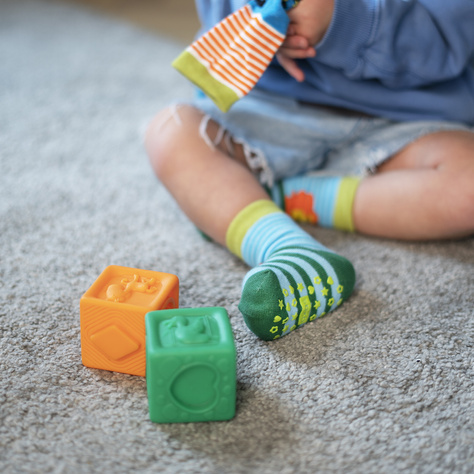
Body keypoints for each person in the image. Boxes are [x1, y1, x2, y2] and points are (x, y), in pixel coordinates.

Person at [145, 0, 474, 341]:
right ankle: (283, 245)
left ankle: (269, 197)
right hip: (269, 108)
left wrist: (341, 21)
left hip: (406, 118)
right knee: (170, 131)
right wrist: (268, 15)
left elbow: (447, 39)